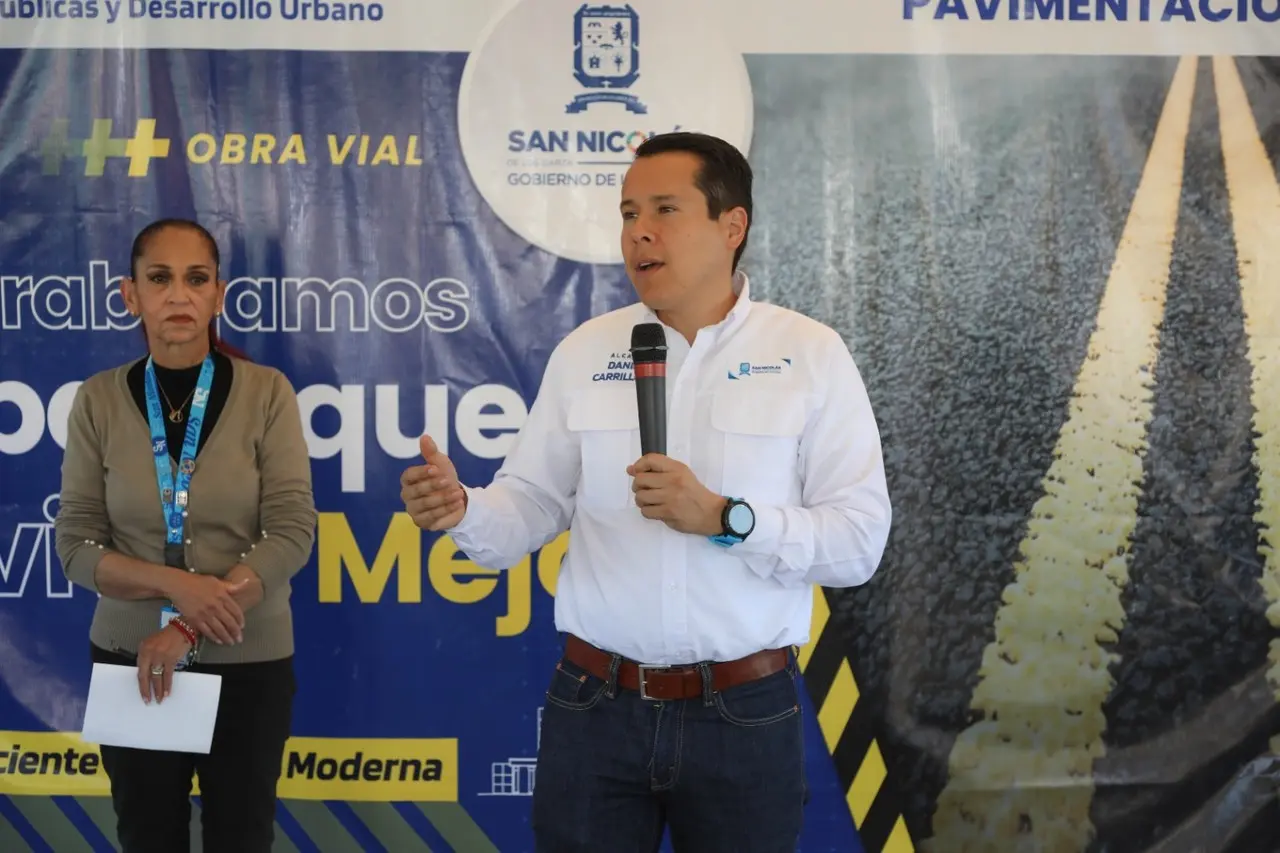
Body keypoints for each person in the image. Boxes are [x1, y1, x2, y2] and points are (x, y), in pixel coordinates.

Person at [399, 131, 892, 852]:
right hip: (595, 708)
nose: (640, 233)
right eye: (629, 214)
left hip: (744, 712)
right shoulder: (586, 351)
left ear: (732, 226)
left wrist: (727, 517)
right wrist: (465, 509)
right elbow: (531, 503)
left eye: (665, 209)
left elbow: (857, 542)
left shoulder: (809, 354)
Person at [55, 218, 317, 853]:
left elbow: (291, 530)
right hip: (134, 660)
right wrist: (176, 587)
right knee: (148, 837)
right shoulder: (96, 400)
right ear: (130, 294)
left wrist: (191, 623)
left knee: (241, 838)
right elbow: (76, 545)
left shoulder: (268, 393)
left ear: (218, 295)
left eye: (196, 279)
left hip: (247, 662)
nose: (178, 295)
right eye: (159, 279)